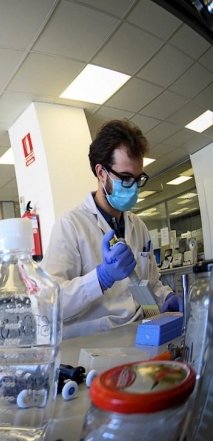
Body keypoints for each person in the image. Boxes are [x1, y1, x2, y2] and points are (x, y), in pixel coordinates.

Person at [42, 119, 181, 339]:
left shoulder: (139, 226)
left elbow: (151, 283)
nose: (134, 188)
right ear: (101, 173)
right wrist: (101, 277)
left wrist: (167, 298)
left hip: (139, 333)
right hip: (93, 344)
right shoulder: (70, 226)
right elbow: (50, 306)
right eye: (125, 178)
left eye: (138, 179)